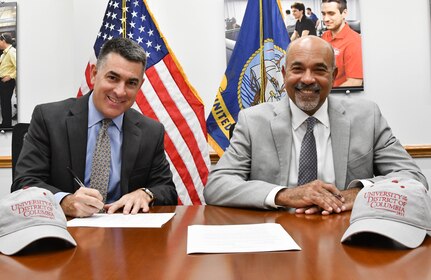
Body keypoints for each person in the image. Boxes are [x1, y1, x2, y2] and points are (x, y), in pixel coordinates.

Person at [204, 36, 428, 215]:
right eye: (298, 69)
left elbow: (413, 177)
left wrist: (356, 193)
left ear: (334, 76)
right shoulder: (252, 121)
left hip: (345, 232)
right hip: (276, 236)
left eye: (319, 70)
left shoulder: (367, 117)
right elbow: (217, 186)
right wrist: (285, 195)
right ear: (284, 75)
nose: (308, 79)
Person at [11, 37, 178, 217]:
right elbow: (24, 182)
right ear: (94, 73)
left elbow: (167, 189)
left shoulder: (150, 131)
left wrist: (146, 193)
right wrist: (64, 201)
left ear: (140, 85)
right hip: (64, 229)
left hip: (125, 235)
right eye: (113, 78)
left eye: (131, 83)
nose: (120, 91)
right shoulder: (49, 119)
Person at [321, 0, 363, 87]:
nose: (326, 19)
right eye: (323, 14)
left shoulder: (354, 41)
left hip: (338, 96)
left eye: (331, 13)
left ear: (344, 13)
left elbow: (354, 82)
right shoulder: (325, 36)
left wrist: (327, 96)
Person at [0, 33, 16, 128]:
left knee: (5, 103)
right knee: (4, 103)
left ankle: (7, 125)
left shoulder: (11, 52)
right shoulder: (5, 53)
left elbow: (19, 66)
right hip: (3, 81)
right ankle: (5, 123)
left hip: (7, 82)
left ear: (3, 40)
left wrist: (10, 76)